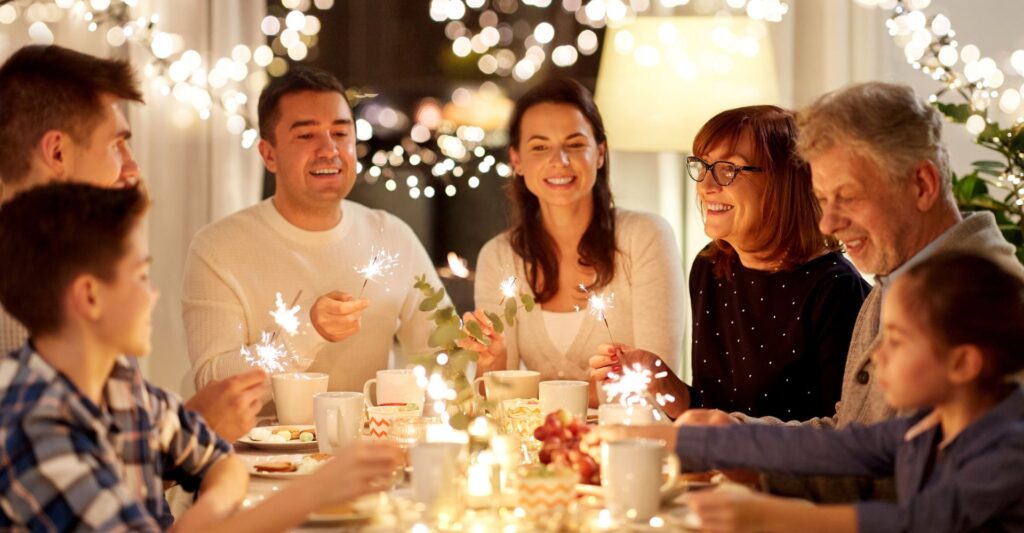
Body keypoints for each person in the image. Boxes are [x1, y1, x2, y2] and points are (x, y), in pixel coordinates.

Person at [672, 82, 1023, 502]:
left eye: (848, 197)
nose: (828, 223)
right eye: (823, 198)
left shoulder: (984, 304)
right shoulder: (898, 277)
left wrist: (764, 497)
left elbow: (920, 493)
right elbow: (854, 438)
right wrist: (737, 438)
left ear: (922, 185)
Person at [0, 183, 403, 531]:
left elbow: (215, 457)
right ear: (89, 296)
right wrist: (316, 489)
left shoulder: (115, 381)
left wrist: (195, 521)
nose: (153, 295)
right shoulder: (37, 426)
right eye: (140, 277)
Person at [0, 44, 264, 441]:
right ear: (57, 152)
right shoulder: (26, 288)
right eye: (115, 145)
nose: (132, 167)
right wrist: (196, 429)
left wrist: (183, 430)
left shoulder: (82, 254)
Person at [666, 252, 1024, 532]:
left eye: (896, 341)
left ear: (963, 363)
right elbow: (834, 448)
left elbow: (916, 523)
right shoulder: (925, 428)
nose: (876, 356)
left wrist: (768, 515)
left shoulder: (1010, 451)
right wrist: (667, 441)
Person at [590, 106, 869, 420]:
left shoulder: (835, 290)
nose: (706, 186)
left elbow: (841, 435)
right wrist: (659, 378)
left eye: (728, 170)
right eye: (703, 166)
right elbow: (708, 411)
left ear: (784, 181)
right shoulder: (711, 267)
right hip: (719, 464)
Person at [182, 66, 448, 395]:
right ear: (268, 154)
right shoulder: (219, 248)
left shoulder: (391, 236)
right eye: (306, 135)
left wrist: (479, 355)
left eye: (340, 134)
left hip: (367, 445)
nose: (329, 150)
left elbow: (443, 353)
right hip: (254, 446)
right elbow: (212, 384)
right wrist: (308, 332)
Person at [461, 77, 685, 407]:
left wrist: (538, 396)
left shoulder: (646, 237)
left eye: (575, 144)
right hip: (538, 448)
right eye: (540, 147)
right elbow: (496, 402)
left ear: (600, 153)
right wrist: (491, 360)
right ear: (517, 160)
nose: (560, 161)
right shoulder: (499, 256)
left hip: (630, 443)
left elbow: (657, 384)